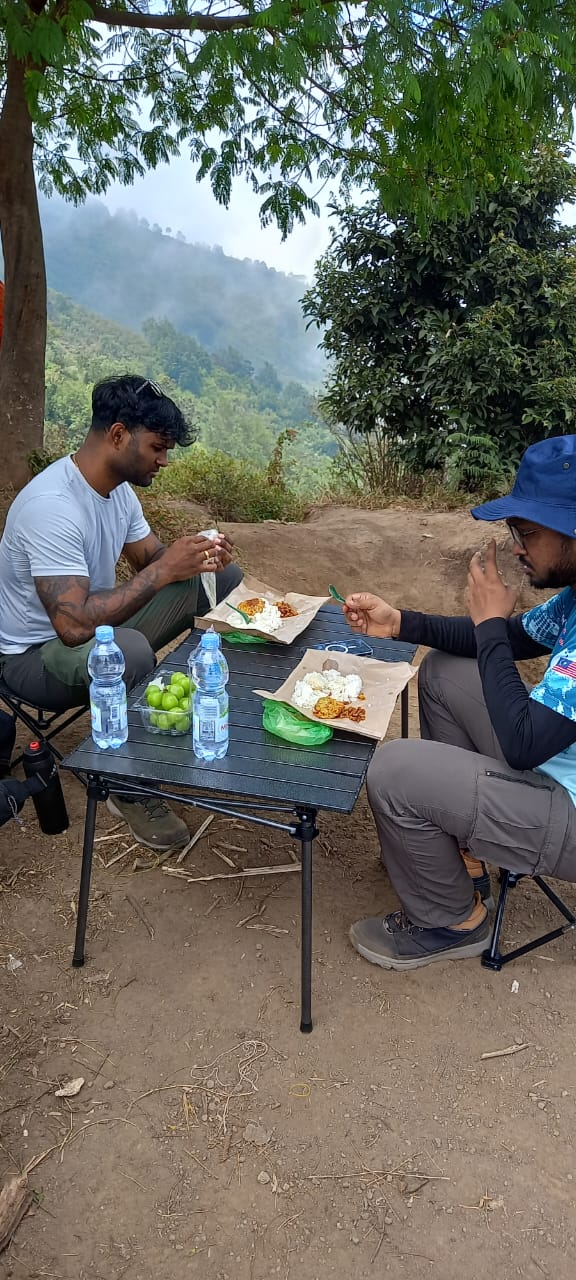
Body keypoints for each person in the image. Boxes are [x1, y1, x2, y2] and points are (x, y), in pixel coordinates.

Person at [343, 434, 576, 970]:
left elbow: (522, 745)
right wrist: (400, 622)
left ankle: (450, 920)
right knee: (446, 670)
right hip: (554, 763)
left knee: (395, 769)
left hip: (567, 803)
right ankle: (463, 856)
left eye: (528, 531)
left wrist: (489, 622)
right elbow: (513, 641)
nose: (517, 545)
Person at [0, 374, 242, 850]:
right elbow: (70, 628)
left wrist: (194, 555)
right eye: (157, 447)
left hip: (94, 631)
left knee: (219, 580)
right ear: (117, 435)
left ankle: (216, 695)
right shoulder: (51, 506)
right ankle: (128, 788)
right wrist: (166, 569)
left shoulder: (117, 492)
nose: (164, 460)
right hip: (33, 658)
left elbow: (151, 562)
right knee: (126, 651)